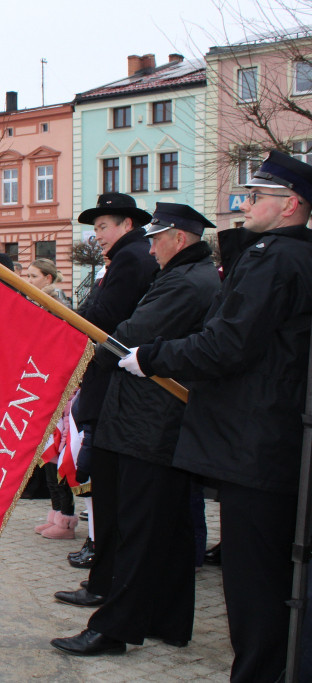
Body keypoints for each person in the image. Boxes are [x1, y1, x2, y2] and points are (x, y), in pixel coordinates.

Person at [119, 151, 312, 681]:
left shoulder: (274, 258)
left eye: (257, 197)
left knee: (254, 582)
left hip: (256, 439)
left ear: (290, 205)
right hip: (272, 437)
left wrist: (152, 357)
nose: (245, 204)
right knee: (270, 576)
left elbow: (228, 344)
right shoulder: (290, 255)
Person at [52, 203, 221, 656]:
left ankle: (114, 628)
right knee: (166, 531)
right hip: (151, 420)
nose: (150, 246)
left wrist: (87, 351)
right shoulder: (185, 275)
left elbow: (130, 334)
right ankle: (168, 620)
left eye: (157, 237)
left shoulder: (185, 281)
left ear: (178, 239)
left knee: (139, 530)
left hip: (150, 422)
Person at [55, 192, 157, 607]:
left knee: (107, 483)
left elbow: (104, 316)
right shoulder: (125, 257)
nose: (97, 235)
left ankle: (104, 577)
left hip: (115, 383)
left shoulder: (131, 259)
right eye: (95, 228)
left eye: (102, 226)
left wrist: (62, 321)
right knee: (101, 479)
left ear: (126, 225)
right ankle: (102, 573)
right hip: (111, 382)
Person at [24, 259, 77, 540]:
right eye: (27, 275)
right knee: (47, 454)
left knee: (57, 451)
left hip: (58, 387)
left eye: (33, 276)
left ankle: (66, 517)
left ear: (48, 278)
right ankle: (56, 513)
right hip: (44, 387)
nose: (28, 280)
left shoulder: (58, 307)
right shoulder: (37, 304)